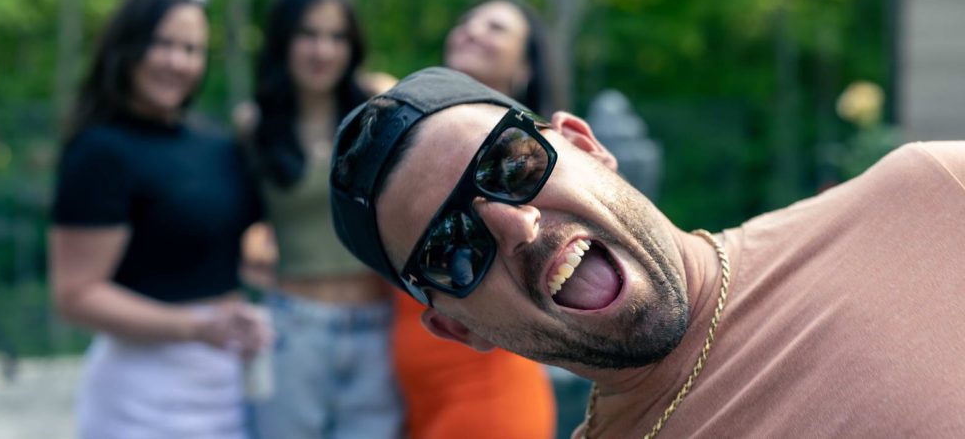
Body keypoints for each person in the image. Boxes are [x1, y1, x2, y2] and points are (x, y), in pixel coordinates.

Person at [330, 67, 965, 438]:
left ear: (586, 144)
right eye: (452, 249)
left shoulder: (931, 196)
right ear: (458, 329)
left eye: (511, 164)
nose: (514, 225)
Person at [49, 0, 271, 439]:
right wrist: (196, 326)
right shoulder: (100, 152)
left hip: (226, 385)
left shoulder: (217, 146)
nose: (177, 61)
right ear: (127, 47)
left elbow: (235, 253)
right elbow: (75, 295)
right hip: (140, 395)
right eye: (162, 44)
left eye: (191, 49)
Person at [242, 0, 401, 439]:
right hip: (292, 328)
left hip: (378, 328)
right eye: (308, 35)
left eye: (336, 37)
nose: (322, 50)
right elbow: (236, 220)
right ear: (283, 41)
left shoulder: (380, 105)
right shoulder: (254, 124)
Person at [391, 0, 559, 439]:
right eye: (466, 21)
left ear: (524, 67)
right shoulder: (410, 143)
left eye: (496, 27)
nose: (472, 30)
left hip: (489, 397)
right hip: (414, 401)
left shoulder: (535, 159)